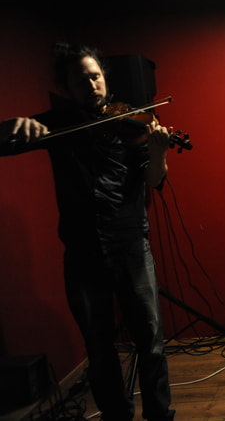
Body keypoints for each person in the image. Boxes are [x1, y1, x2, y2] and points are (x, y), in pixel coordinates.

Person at [0, 43, 176, 420]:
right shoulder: (57, 125)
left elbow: (154, 180)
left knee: (151, 343)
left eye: (95, 76)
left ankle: (160, 415)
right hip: (82, 252)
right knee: (99, 349)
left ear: (104, 79)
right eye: (81, 81)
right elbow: (4, 142)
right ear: (67, 88)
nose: (92, 85)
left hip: (130, 246)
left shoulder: (132, 122)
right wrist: (13, 126)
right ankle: (117, 415)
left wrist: (159, 152)